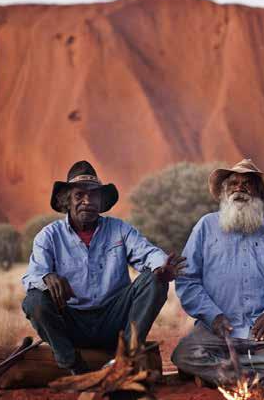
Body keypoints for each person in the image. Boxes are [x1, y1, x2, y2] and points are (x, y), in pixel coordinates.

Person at [21, 160, 186, 374]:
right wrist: (46, 278)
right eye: (79, 195)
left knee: (156, 280)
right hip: (72, 324)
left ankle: (127, 358)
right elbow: (31, 277)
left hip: (115, 322)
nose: (87, 201)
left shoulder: (119, 229)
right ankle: (72, 365)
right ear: (67, 201)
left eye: (94, 195)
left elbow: (148, 253)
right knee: (34, 300)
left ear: (101, 201)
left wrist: (161, 265)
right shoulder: (49, 236)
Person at [172, 158, 264, 388]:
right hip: (218, 327)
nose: (240, 188)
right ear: (223, 192)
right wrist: (212, 315)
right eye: (233, 183)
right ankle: (263, 375)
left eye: (247, 184)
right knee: (183, 354)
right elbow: (188, 280)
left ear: (259, 193)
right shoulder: (205, 227)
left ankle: (229, 373)